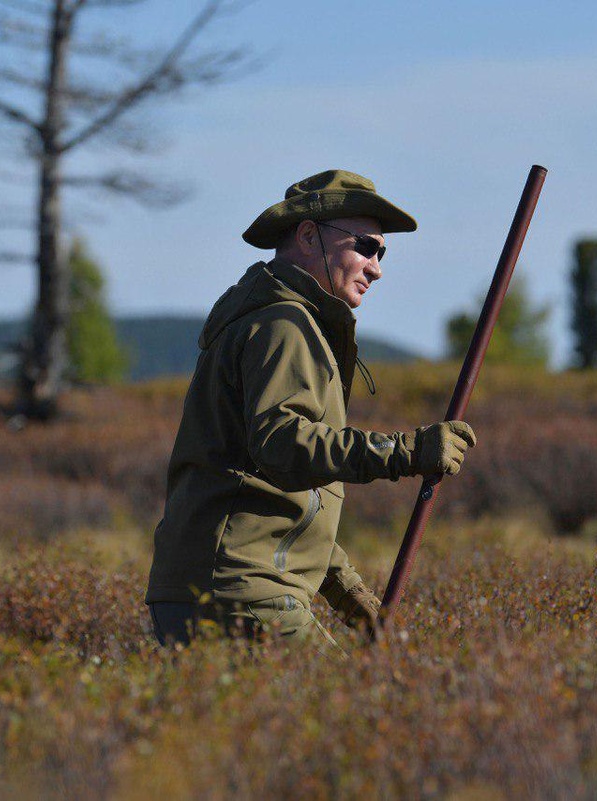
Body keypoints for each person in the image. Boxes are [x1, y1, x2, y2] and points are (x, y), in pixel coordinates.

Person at [144, 169, 476, 655]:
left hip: (210, 587)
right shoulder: (285, 324)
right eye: (365, 245)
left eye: (382, 252)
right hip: (243, 591)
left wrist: (346, 591)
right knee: (345, 720)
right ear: (307, 235)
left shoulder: (274, 320)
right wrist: (408, 451)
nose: (377, 267)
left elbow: (276, 495)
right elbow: (283, 445)